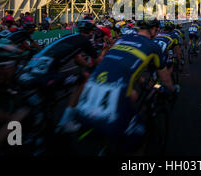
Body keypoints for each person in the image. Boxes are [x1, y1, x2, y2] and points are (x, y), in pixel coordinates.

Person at [64, 19, 177, 154]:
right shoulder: (153, 47)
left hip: (85, 102)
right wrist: (173, 90)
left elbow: (123, 63)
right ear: (153, 30)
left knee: (133, 95)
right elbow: (165, 78)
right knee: (140, 137)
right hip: (110, 110)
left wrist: (140, 80)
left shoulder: (121, 40)